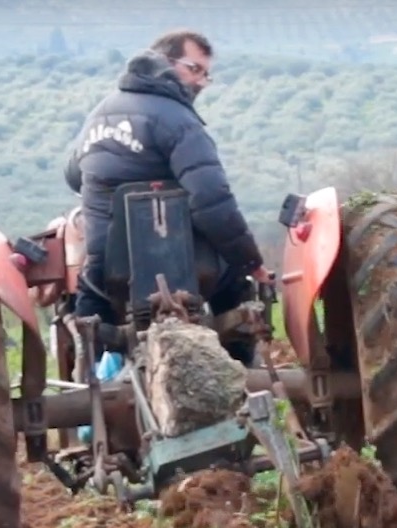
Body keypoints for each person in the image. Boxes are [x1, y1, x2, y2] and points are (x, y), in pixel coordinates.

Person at [63, 29, 270, 362]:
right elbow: (211, 201)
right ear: (167, 63)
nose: (202, 82)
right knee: (235, 284)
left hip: (107, 270)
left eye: (206, 74)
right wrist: (250, 262)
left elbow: (74, 175)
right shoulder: (178, 120)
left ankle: (88, 388)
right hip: (186, 270)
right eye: (195, 69)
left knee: (87, 308)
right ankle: (241, 377)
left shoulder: (99, 114)